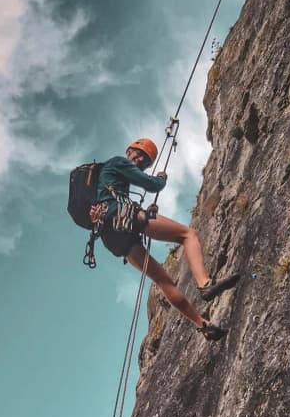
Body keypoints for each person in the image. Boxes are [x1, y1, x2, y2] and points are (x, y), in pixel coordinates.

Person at [89, 137, 239, 341]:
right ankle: (205, 283)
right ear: (129, 150)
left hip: (111, 237)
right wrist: (161, 178)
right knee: (188, 235)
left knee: (163, 280)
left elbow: (114, 201)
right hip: (123, 219)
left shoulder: (106, 180)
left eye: (144, 161)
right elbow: (152, 185)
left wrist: (144, 211)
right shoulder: (118, 162)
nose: (139, 161)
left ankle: (203, 325)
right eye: (138, 155)